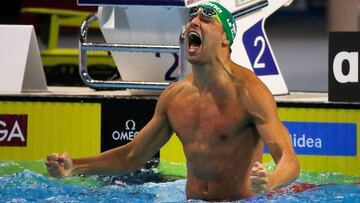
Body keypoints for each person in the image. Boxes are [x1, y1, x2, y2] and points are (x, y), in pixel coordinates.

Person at [46, 1, 300, 201]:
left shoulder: (249, 92)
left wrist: (271, 181)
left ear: (225, 39)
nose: (194, 22)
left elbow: (289, 160)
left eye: (206, 19)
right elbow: (132, 157)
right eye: (192, 18)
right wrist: (74, 167)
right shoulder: (175, 96)